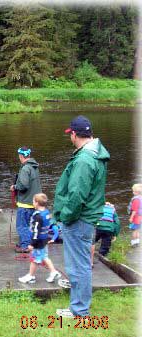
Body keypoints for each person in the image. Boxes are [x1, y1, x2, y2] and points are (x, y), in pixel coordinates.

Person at [53, 115, 110, 318]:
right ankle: (80, 307)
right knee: (82, 265)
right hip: (86, 220)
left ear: (75, 134)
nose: (70, 138)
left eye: (71, 134)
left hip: (78, 221)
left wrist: (65, 217)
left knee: (77, 267)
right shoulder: (94, 153)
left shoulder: (85, 159)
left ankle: (79, 311)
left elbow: (77, 195)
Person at [18, 193, 61, 284]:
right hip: (45, 239)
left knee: (34, 259)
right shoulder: (47, 213)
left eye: (33, 201)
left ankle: (30, 276)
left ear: (37, 203)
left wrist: (31, 244)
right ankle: (53, 272)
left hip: (38, 241)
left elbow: (36, 231)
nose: (33, 203)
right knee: (44, 257)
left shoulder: (38, 216)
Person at [10, 146, 42, 252]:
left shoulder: (25, 168)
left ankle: (25, 246)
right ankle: (29, 243)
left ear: (20, 156)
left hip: (25, 203)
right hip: (34, 203)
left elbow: (24, 185)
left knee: (22, 226)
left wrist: (14, 187)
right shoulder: (35, 167)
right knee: (31, 225)